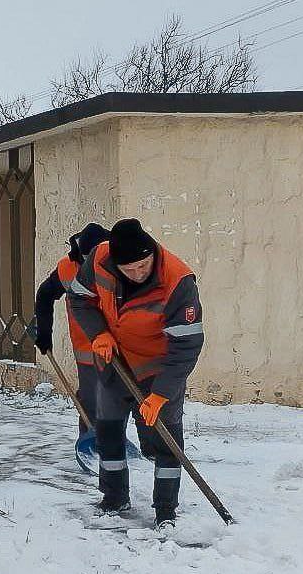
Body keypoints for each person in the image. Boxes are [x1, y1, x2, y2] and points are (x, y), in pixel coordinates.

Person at [67, 218, 203, 528]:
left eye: (143, 265)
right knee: (109, 431)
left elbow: (187, 345)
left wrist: (161, 394)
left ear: (152, 253)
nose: (138, 273)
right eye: (130, 270)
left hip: (160, 366)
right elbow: (79, 298)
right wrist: (98, 333)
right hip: (115, 361)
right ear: (115, 262)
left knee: (166, 439)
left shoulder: (178, 281)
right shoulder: (99, 259)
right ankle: (115, 496)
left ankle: (166, 509)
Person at [33, 222, 110, 436]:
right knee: (90, 399)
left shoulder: (120, 260)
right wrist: (44, 333)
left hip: (119, 346)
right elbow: (45, 296)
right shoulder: (68, 267)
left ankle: (114, 443)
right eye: (87, 259)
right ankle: (90, 441)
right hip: (86, 348)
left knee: (116, 399)